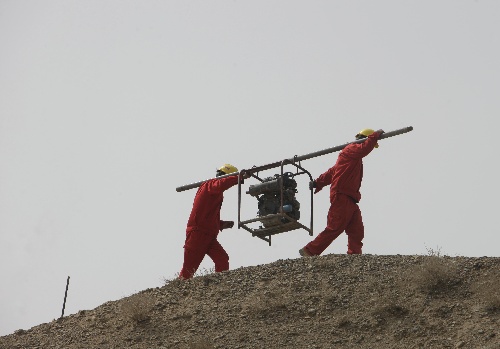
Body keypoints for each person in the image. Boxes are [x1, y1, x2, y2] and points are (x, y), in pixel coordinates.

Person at [299, 128, 384, 257]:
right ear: (363, 139)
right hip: (342, 195)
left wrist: (318, 182)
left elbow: (332, 172)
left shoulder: (353, 159)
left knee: (356, 229)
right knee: (335, 227)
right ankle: (310, 250)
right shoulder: (351, 150)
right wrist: (375, 136)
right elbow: (365, 148)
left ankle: (354, 255)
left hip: (350, 198)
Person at [179, 164, 248, 279]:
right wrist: (239, 177)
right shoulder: (210, 185)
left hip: (208, 235)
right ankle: (177, 292)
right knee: (188, 270)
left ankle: (220, 285)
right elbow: (221, 184)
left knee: (222, 259)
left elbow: (208, 215)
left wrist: (220, 224)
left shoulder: (216, 193)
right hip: (198, 235)